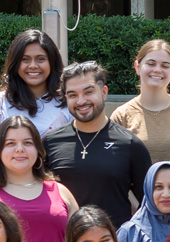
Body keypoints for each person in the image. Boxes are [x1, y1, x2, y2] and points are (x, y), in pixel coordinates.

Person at [44, 61, 151, 226]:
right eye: (72, 95)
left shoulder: (130, 145)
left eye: (88, 92)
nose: (81, 101)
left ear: (104, 92)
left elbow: (148, 206)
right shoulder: (50, 143)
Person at [110, 39, 170, 163]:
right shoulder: (121, 116)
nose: (157, 70)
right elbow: (113, 165)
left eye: (165, 66)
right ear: (137, 67)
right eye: (151, 63)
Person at [0, 29, 72, 133]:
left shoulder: (67, 102)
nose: (33, 66)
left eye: (41, 59)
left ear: (52, 62)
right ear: (15, 63)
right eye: (25, 59)